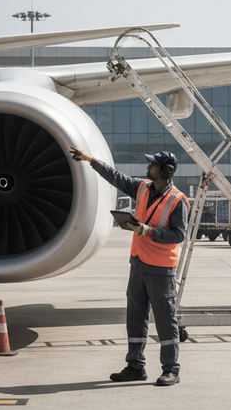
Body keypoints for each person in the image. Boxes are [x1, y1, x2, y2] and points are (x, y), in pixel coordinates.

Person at [69, 147, 189, 386]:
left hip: (161, 268)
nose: (148, 168)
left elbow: (178, 235)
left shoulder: (178, 200)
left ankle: (171, 369)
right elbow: (116, 177)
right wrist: (91, 160)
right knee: (135, 318)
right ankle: (135, 366)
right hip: (138, 263)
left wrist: (146, 231)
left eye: (153, 165)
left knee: (165, 320)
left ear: (165, 171)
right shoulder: (143, 187)